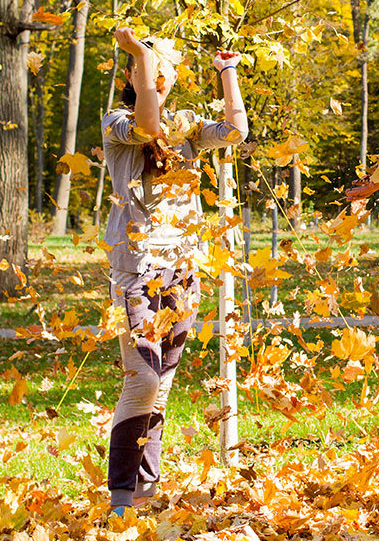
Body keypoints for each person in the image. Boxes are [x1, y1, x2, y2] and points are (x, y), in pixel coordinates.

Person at [102, 27, 248, 516]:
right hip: (137, 272)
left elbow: (235, 131)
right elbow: (149, 123)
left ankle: (144, 493)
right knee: (141, 380)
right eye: (150, 67)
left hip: (181, 271)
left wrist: (228, 72)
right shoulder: (118, 122)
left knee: (160, 384)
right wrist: (142, 53)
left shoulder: (185, 126)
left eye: (165, 67)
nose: (158, 75)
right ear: (135, 73)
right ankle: (121, 495)